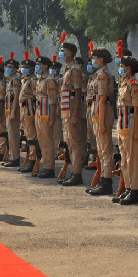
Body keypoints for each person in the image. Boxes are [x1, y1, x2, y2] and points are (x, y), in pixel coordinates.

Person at [113, 43, 138, 204]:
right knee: (124, 157)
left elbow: (136, 109)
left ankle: (134, 190)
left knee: (133, 158)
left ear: (129, 68)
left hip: (131, 120)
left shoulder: (134, 85)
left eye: (123, 66)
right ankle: (128, 187)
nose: (121, 69)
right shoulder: (124, 83)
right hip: (122, 120)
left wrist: (137, 129)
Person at [86, 46, 115, 195]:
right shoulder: (98, 74)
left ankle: (106, 181)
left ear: (101, 59)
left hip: (101, 111)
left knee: (105, 149)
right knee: (101, 149)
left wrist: (102, 122)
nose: (93, 61)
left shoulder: (103, 74)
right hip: (97, 109)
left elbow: (103, 99)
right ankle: (103, 178)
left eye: (95, 58)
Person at [59, 34, 87, 186]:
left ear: (70, 53)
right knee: (69, 141)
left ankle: (77, 173)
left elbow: (77, 93)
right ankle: (73, 171)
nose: (61, 53)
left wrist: (75, 114)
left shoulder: (75, 69)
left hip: (71, 109)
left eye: (63, 51)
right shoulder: (67, 68)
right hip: (66, 109)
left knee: (75, 142)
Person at [33, 48, 58, 178]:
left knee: (47, 140)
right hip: (39, 110)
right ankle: (45, 165)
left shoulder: (49, 80)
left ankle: (49, 167)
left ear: (45, 66)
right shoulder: (40, 79)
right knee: (41, 139)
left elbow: (53, 102)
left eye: (40, 64)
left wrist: (52, 119)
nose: (37, 67)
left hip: (46, 112)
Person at [18, 52, 39, 173]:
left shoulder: (33, 80)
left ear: (31, 69)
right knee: (27, 134)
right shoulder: (25, 80)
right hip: (24, 109)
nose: (23, 69)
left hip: (30, 109)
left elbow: (36, 97)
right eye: (23, 67)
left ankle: (33, 160)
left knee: (31, 136)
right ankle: (29, 159)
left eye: (26, 67)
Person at [3, 52, 22, 167]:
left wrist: (13, 112)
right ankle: (12, 156)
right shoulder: (9, 79)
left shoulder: (15, 80)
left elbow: (16, 97)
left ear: (15, 69)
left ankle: (15, 158)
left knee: (14, 135)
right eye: (7, 67)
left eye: (10, 67)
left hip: (13, 111)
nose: (8, 69)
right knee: (10, 134)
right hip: (8, 110)